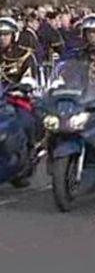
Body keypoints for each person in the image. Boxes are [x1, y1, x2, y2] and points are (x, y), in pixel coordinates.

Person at [0, 16, 40, 172]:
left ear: (14, 35)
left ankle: (29, 152)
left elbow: (31, 77)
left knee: (25, 120)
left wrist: (24, 85)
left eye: (5, 34)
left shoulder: (24, 55)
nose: (2, 38)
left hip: (15, 97)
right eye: (0, 34)